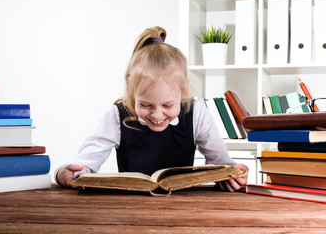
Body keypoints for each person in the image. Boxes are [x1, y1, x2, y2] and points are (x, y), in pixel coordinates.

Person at [56, 26, 248, 192]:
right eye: (145, 105)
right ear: (132, 94)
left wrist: (232, 175)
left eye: (167, 105)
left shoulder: (196, 112)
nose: (157, 115)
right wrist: (64, 173)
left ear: (183, 92)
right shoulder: (117, 114)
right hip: (130, 209)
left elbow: (220, 162)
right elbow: (83, 165)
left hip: (184, 208)